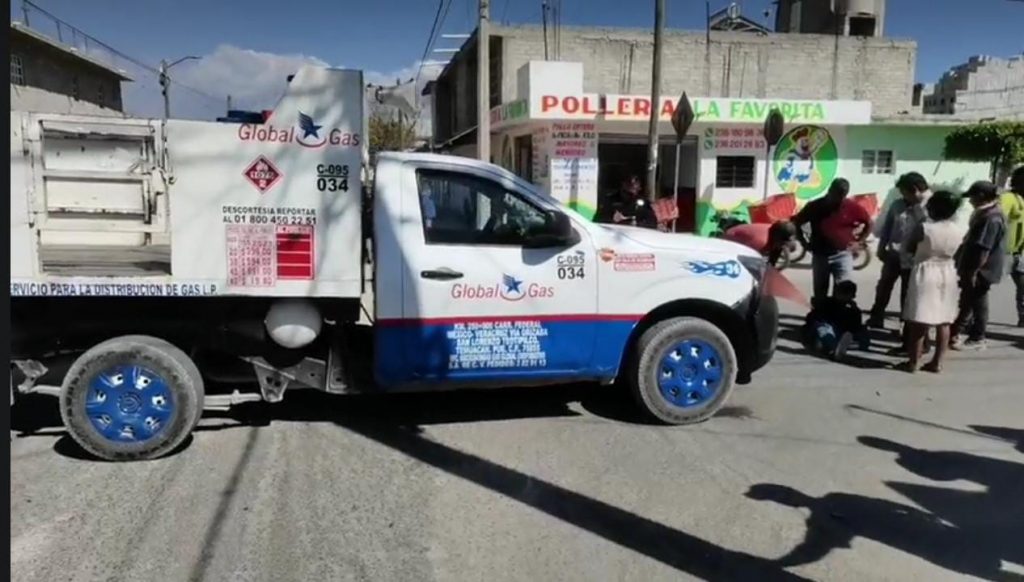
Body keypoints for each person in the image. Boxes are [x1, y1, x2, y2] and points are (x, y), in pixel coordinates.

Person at [896, 191, 964, 374]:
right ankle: (937, 362)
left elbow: (909, 248)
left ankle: (913, 362)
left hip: (925, 271)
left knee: (920, 319)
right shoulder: (959, 230)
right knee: (944, 320)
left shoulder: (925, 228)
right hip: (948, 271)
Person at [867, 172, 931, 329]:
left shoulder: (929, 207)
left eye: (904, 192)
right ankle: (876, 316)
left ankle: (906, 325)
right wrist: (882, 246)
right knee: (883, 287)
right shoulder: (898, 205)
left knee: (908, 292)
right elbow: (888, 227)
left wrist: (917, 207)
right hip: (894, 254)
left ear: (915, 190)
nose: (902, 195)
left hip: (915, 258)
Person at [792, 178, 874, 300]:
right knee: (820, 292)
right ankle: (820, 317)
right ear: (830, 191)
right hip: (821, 255)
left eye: (842, 196)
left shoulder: (852, 207)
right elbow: (797, 222)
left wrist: (859, 242)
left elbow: (869, 223)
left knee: (843, 291)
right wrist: (804, 243)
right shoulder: (814, 206)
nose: (838, 200)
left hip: (843, 254)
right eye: (836, 195)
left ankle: (838, 316)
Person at [951, 181, 1007, 350]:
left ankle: (978, 336)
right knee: (970, 299)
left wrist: (974, 271)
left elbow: (984, 249)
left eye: (972, 197)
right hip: (974, 265)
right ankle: (958, 331)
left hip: (982, 268)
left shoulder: (991, 218)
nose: (970, 201)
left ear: (981, 196)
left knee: (977, 301)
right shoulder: (984, 214)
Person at [801, 280, 868, 361]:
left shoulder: (853, 310)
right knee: (823, 330)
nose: (843, 296)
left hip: (843, 333)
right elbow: (812, 318)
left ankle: (839, 348)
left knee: (860, 333)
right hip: (827, 330)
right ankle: (833, 348)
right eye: (842, 293)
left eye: (846, 294)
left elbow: (856, 326)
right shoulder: (827, 303)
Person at [1001, 166, 1024, 327]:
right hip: (1004, 252)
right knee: (982, 288)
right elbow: (998, 217)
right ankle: (971, 321)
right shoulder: (1008, 198)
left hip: (1020, 252)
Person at [721, 220, 797, 267]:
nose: (784, 246)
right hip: (732, 238)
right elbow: (748, 259)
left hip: (747, 235)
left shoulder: (776, 232)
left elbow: (773, 259)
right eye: (782, 242)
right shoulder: (761, 242)